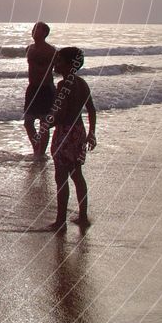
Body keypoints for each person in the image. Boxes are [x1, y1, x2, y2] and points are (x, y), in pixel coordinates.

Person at [43, 46, 97, 232]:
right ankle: (82, 216)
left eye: (59, 61)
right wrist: (92, 133)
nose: (56, 64)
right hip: (79, 132)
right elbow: (91, 109)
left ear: (68, 65)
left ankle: (60, 221)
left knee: (61, 177)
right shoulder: (82, 83)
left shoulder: (63, 85)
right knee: (77, 175)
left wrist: (47, 124)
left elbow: (61, 113)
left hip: (64, 133)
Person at [24, 21, 57, 155]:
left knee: (44, 123)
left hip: (45, 89)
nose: (33, 31)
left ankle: (41, 152)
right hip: (32, 88)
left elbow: (58, 68)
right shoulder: (29, 48)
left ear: (44, 33)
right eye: (33, 28)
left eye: (37, 29)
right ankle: (36, 148)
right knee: (28, 122)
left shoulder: (51, 51)